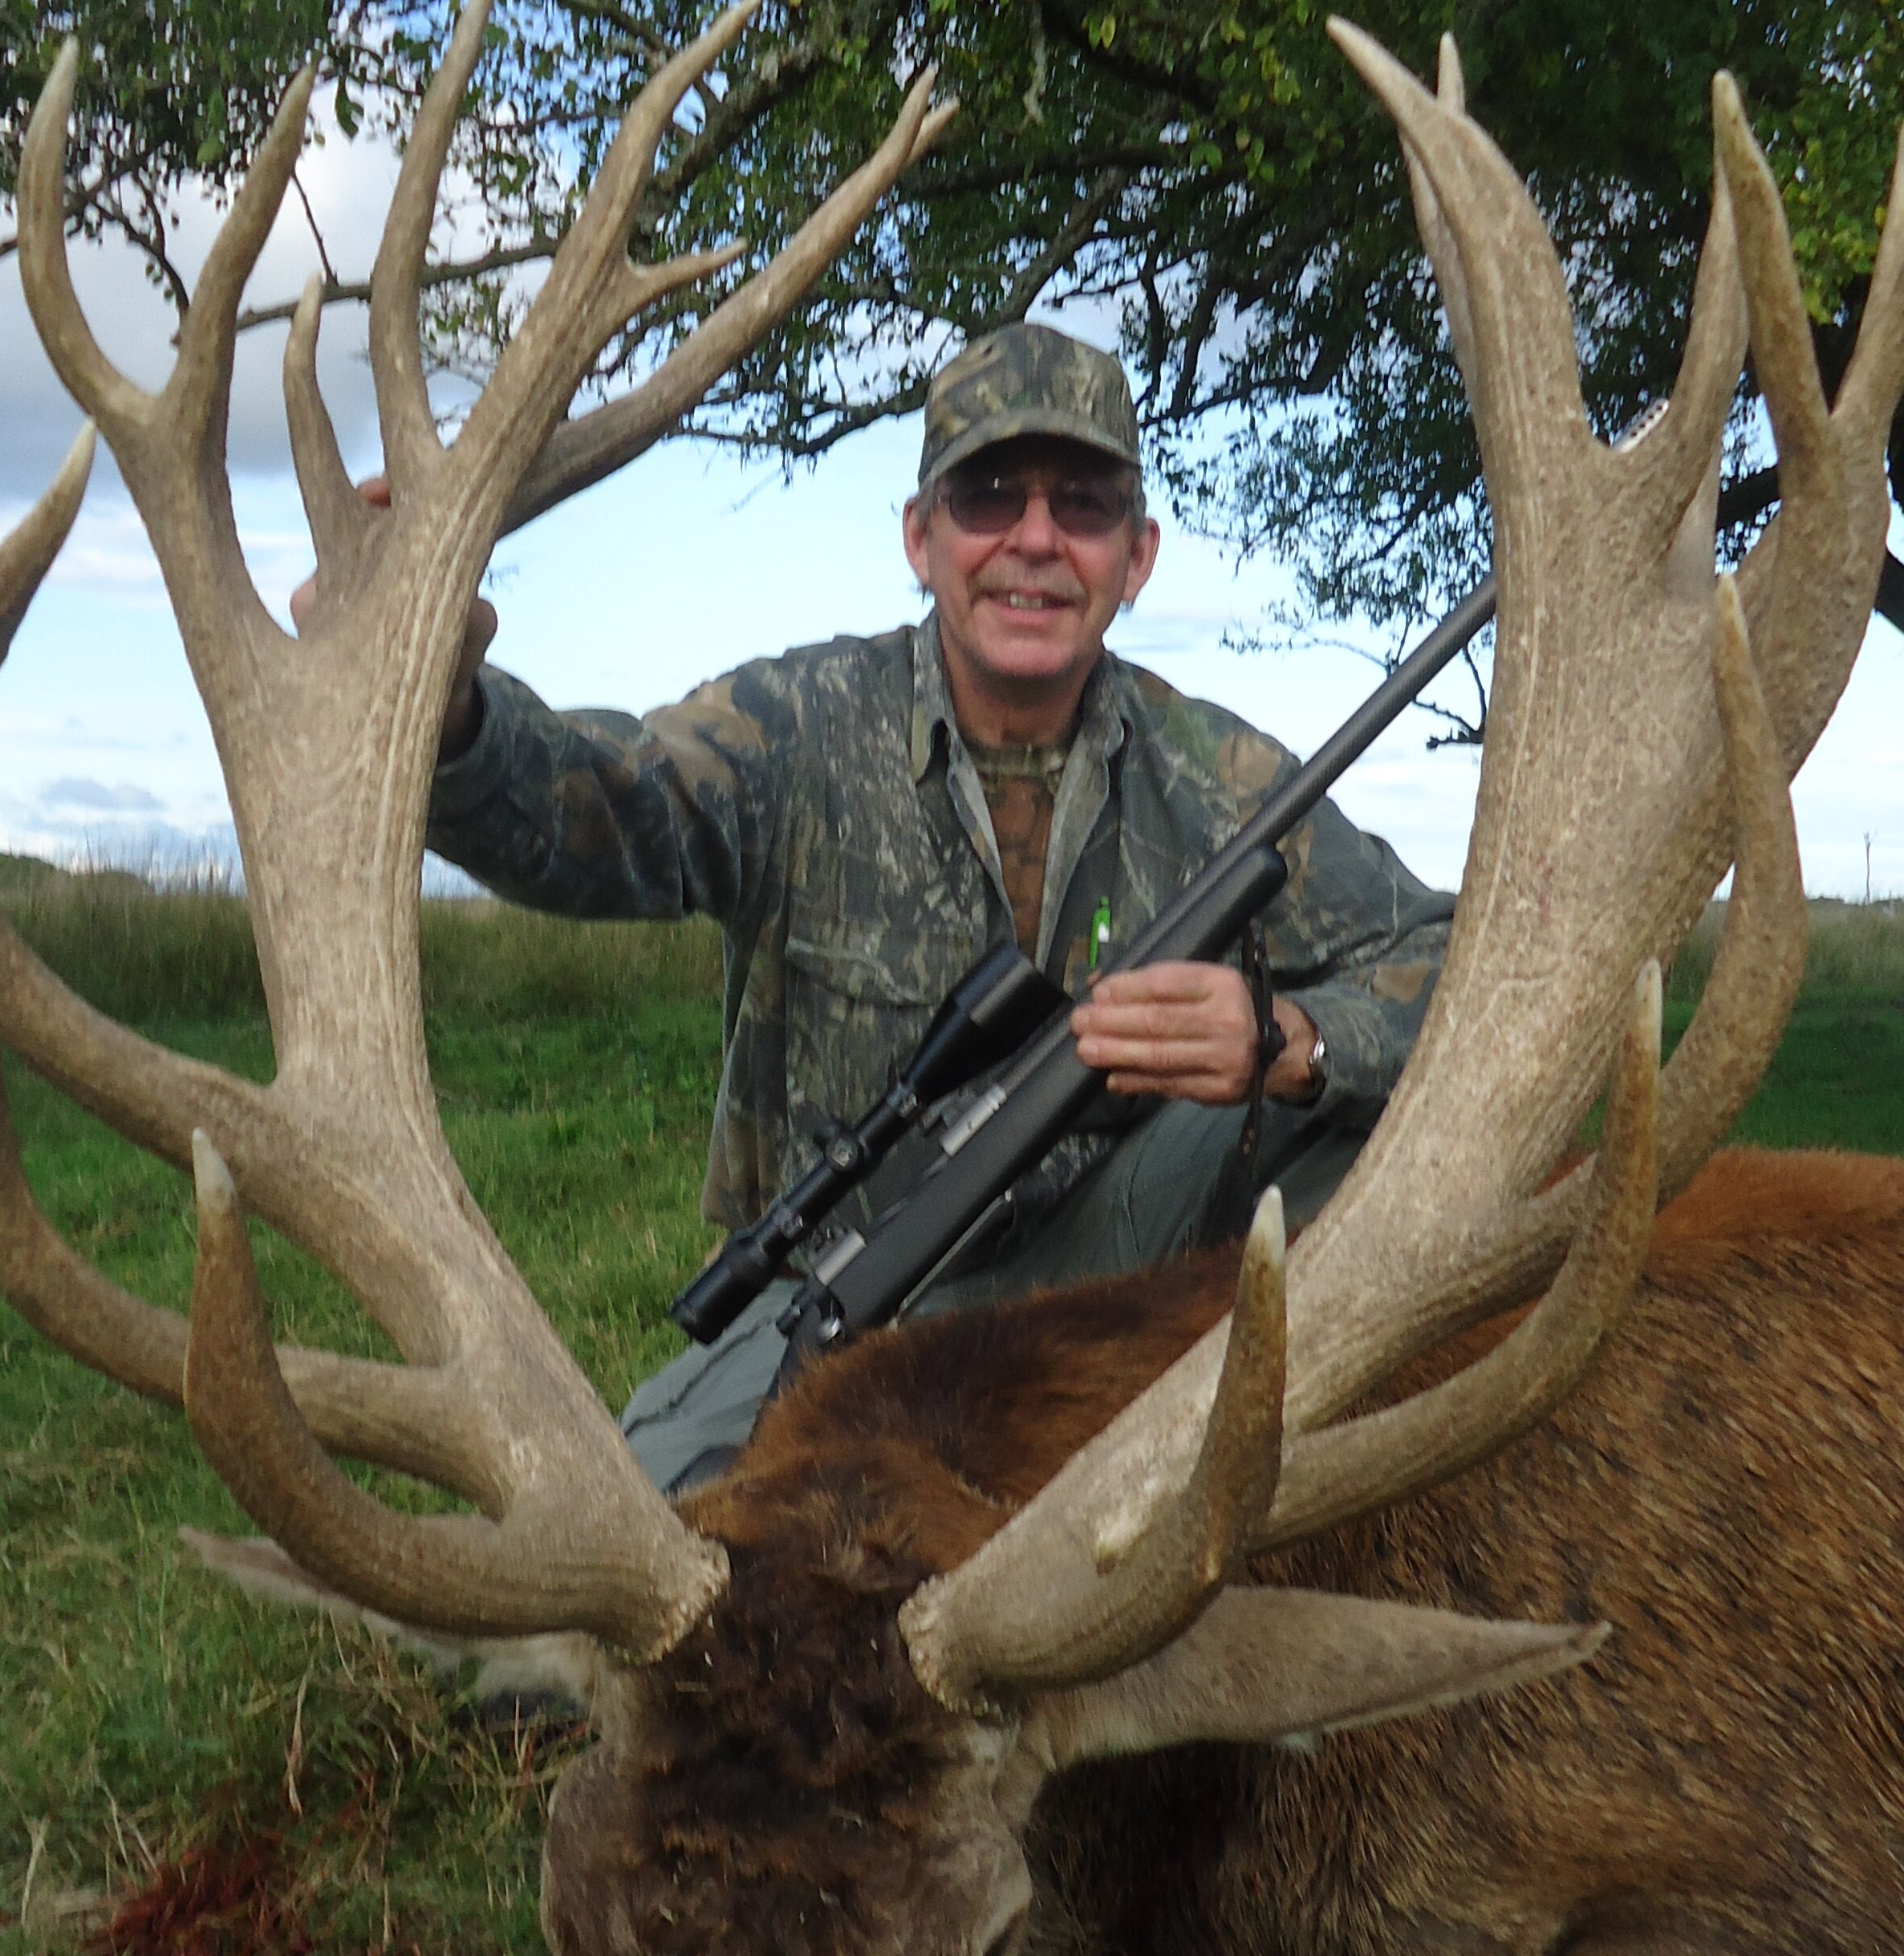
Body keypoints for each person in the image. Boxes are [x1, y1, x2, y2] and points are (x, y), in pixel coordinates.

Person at [415, 321, 1454, 1487]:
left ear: (1139, 554)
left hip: (1112, 1269)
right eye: (990, 495)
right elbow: (599, 815)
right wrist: (446, 704)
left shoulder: (1219, 775)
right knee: (639, 1543)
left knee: (1359, 1116)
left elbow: (1452, 955)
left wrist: (1292, 1039)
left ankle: (1316, 1472)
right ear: (921, 538)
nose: (1036, 540)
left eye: (1085, 505)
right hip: (856, 1276)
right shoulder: (796, 726)